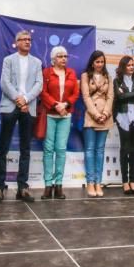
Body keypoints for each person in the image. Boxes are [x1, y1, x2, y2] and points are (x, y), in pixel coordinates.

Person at [0, 30, 43, 204]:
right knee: (3, 147)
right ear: (17, 42)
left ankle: (23, 187)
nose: (28, 42)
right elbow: (4, 82)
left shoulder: (37, 62)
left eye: (29, 39)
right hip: (10, 106)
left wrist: (26, 99)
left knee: (25, 148)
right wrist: (18, 99)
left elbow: (39, 84)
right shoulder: (8, 60)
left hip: (28, 107)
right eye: (24, 39)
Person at [39, 46, 79, 200]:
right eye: (60, 56)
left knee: (61, 149)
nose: (64, 59)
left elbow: (76, 92)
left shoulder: (71, 73)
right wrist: (56, 105)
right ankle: (48, 185)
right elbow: (43, 92)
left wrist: (66, 105)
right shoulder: (46, 72)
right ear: (53, 59)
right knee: (48, 149)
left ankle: (59, 185)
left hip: (65, 115)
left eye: (65, 56)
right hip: (50, 114)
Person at [81, 50, 115, 197]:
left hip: (105, 117)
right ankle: (90, 183)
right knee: (89, 150)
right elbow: (86, 96)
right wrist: (95, 114)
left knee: (100, 151)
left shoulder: (108, 76)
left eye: (102, 62)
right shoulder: (85, 76)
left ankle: (98, 183)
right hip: (91, 116)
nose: (100, 64)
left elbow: (110, 97)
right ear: (92, 63)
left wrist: (106, 114)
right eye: (97, 62)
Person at [113, 56, 134, 195]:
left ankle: (133, 181)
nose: (132, 67)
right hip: (123, 116)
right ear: (123, 67)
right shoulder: (117, 81)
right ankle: (125, 181)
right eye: (129, 65)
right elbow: (119, 98)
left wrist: (128, 94)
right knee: (125, 148)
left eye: (133, 65)